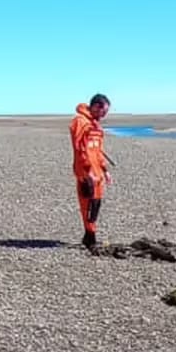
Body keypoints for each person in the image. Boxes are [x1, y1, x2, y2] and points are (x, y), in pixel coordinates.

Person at [70, 93, 111, 250]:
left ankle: (90, 234)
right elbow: (80, 149)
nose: (104, 115)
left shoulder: (95, 125)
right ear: (95, 107)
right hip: (86, 171)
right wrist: (88, 170)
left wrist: (104, 169)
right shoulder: (80, 122)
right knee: (88, 202)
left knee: (96, 203)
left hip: (97, 170)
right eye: (103, 112)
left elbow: (98, 150)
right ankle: (90, 236)